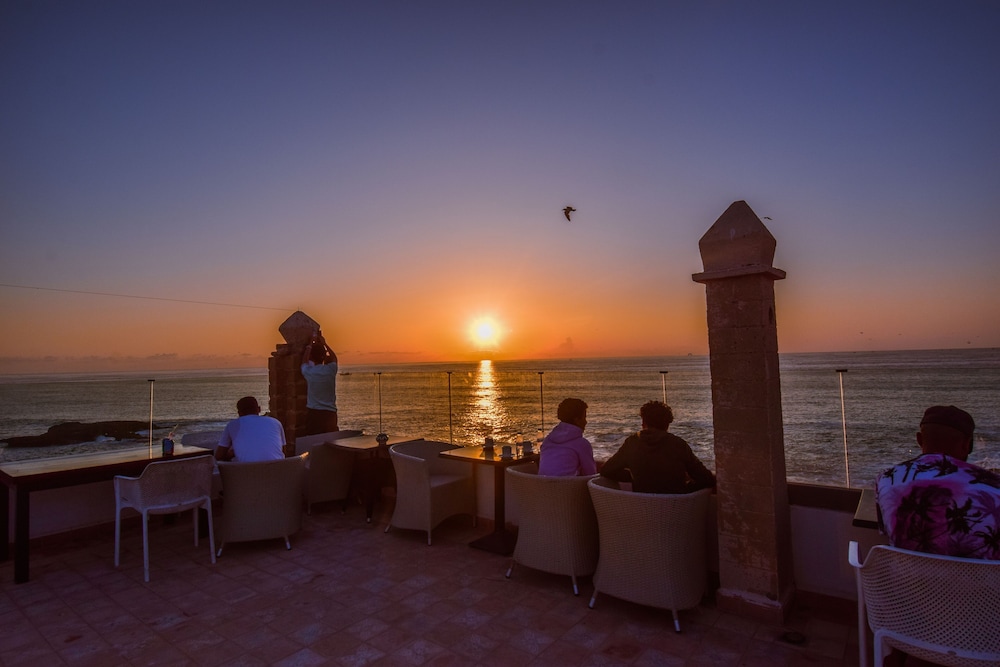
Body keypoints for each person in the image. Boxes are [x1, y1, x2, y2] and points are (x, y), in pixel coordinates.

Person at [876, 405, 1000, 560]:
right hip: (979, 576)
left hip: (908, 575)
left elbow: (886, 532)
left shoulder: (887, 478)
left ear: (919, 440)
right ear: (967, 445)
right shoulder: (994, 487)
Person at [600, 400, 716, 494]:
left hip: (642, 511)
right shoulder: (678, 444)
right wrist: (687, 487)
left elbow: (607, 470)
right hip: (677, 511)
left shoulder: (632, 443)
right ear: (667, 425)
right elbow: (707, 479)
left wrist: (636, 476)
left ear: (643, 423)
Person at [215, 396, 286, 462]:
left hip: (248, 470)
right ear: (259, 409)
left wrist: (232, 453)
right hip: (277, 469)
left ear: (239, 413)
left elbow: (219, 456)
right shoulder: (275, 422)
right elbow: (283, 451)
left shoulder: (232, 425)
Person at [538, 397, 597, 476]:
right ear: (577, 420)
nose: (586, 422)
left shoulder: (547, 440)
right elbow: (591, 474)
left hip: (542, 483)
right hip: (568, 484)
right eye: (584, 418)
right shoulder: (582, 444)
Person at [300, 329, 339, 435]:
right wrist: (324, 343)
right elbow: (334, 358)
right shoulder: (330, 370)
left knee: (313, 441)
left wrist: (309, 344)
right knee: (331, 441)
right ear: (324, 356)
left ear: (312, 357)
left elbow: (304, 361)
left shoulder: (309, 372)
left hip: (314, 414)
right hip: (330, 413)